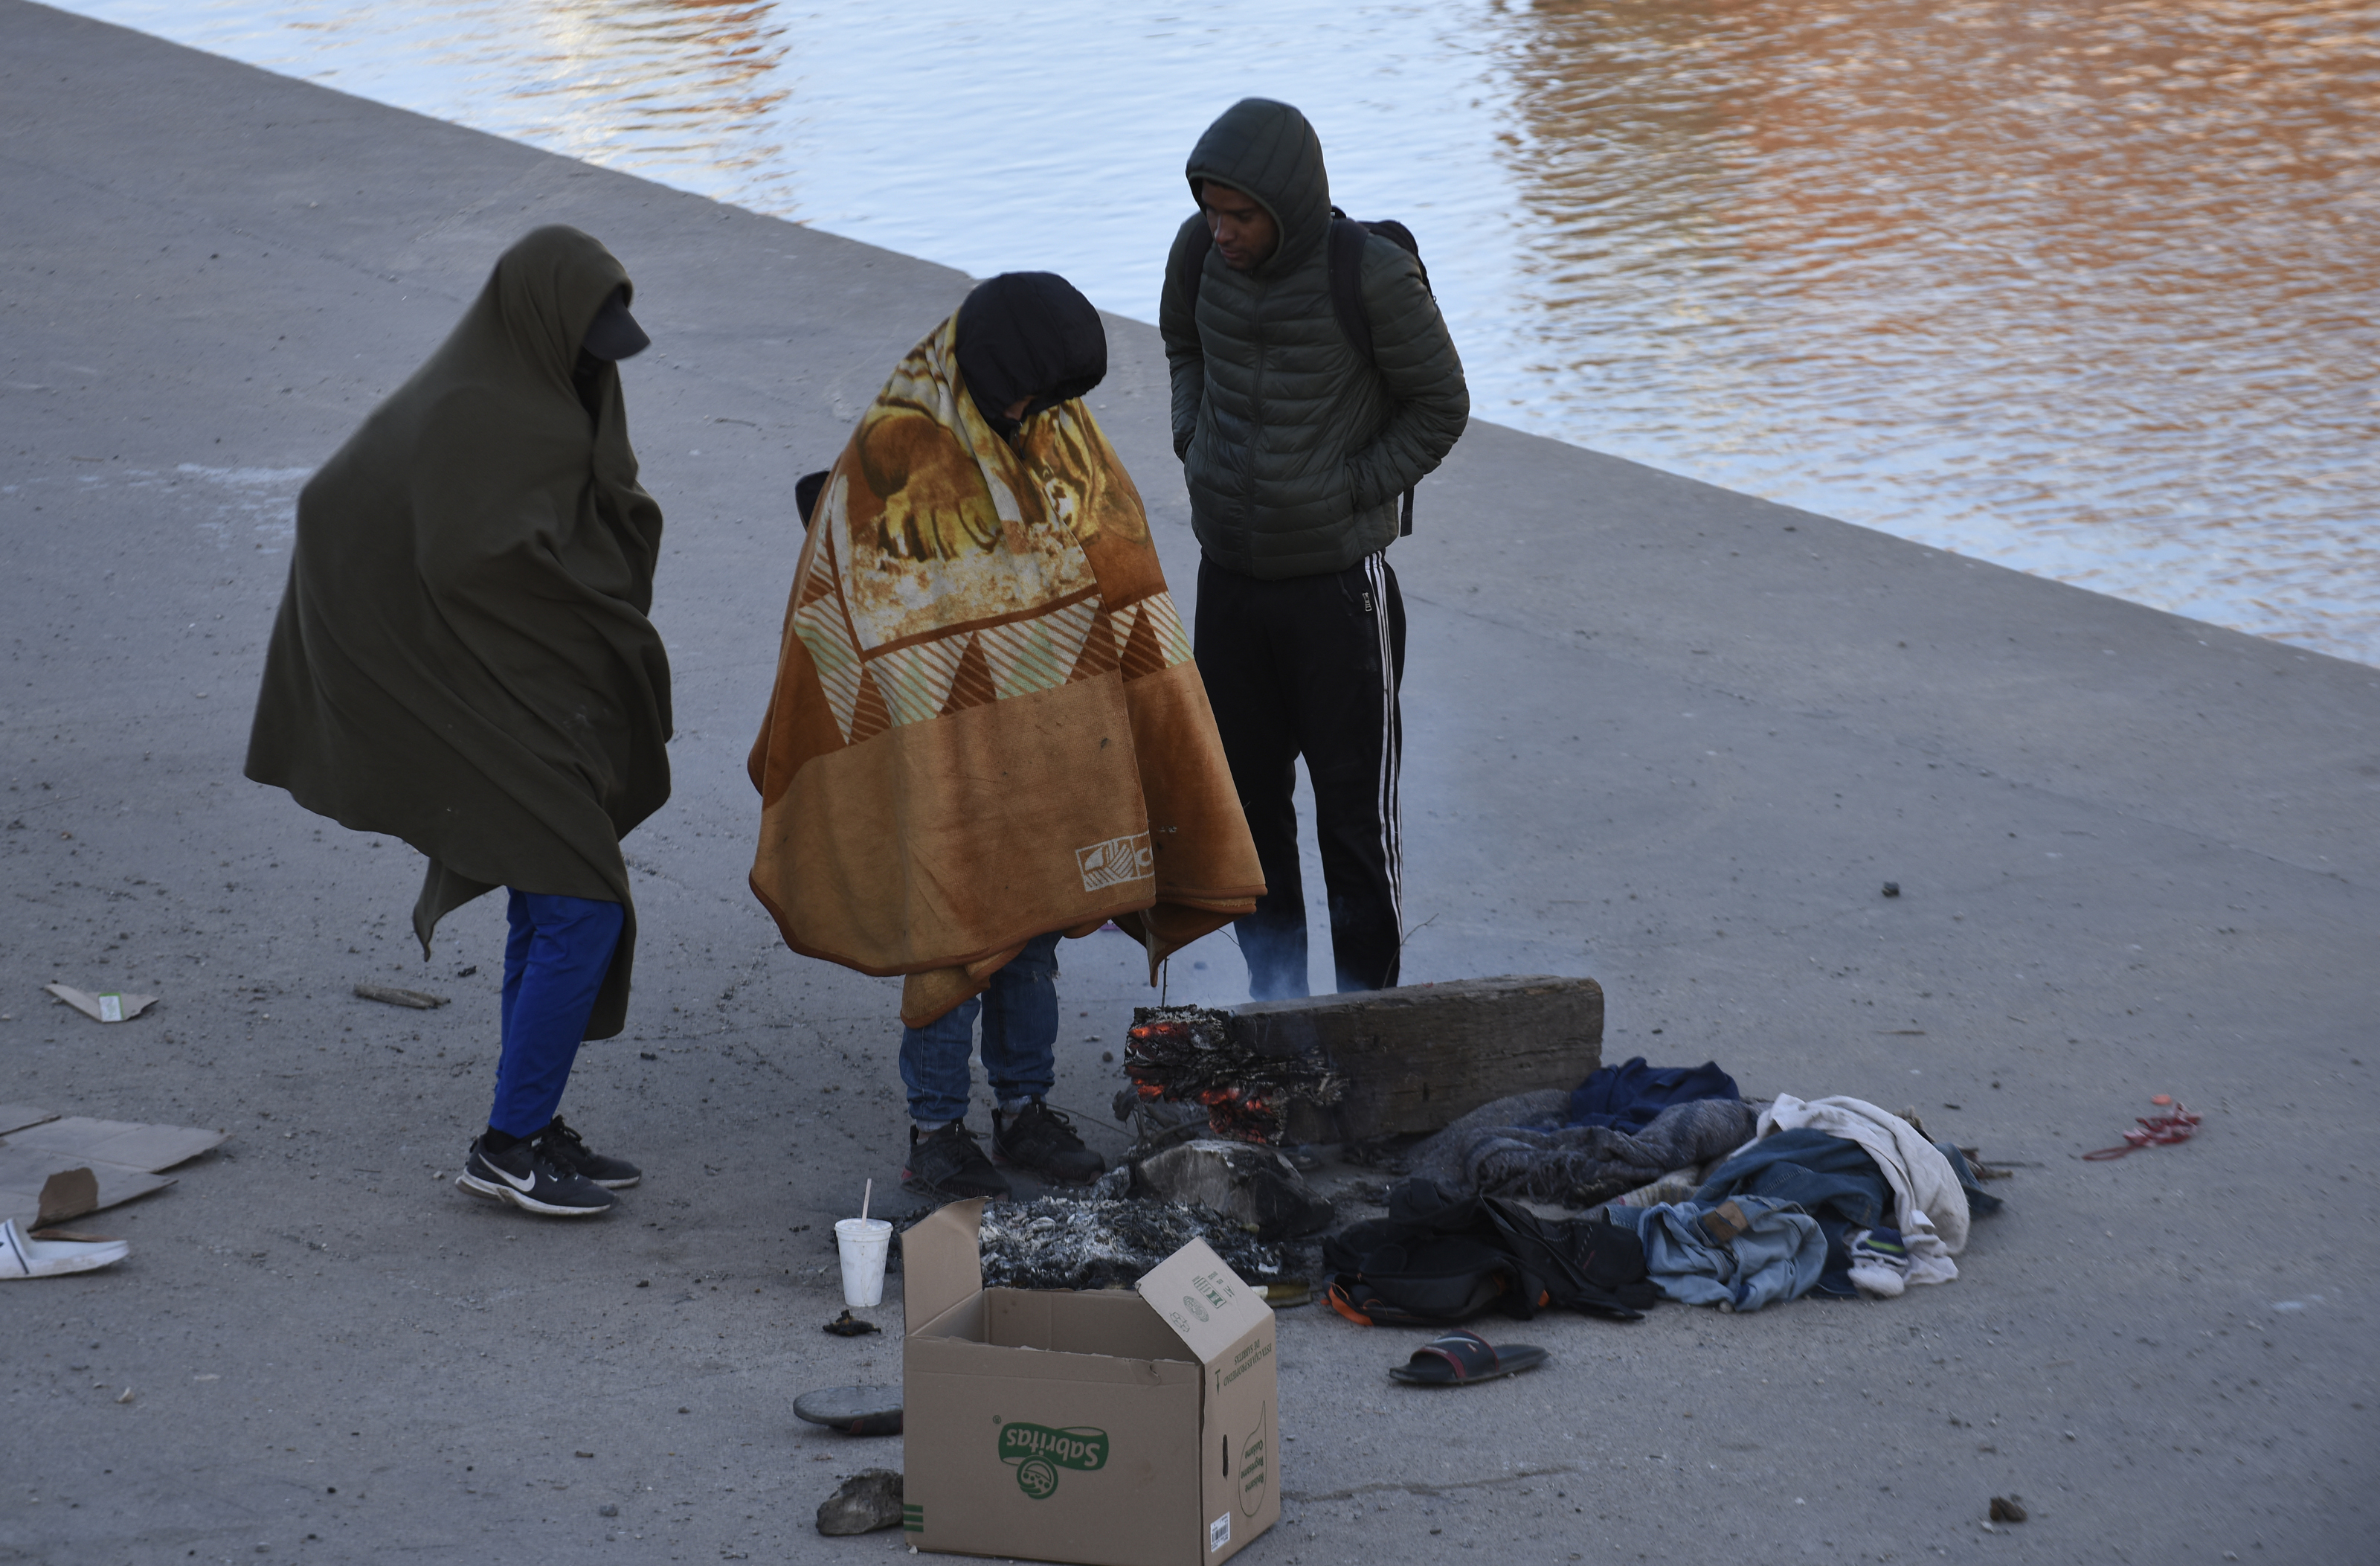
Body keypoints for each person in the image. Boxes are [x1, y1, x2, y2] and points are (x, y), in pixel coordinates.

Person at [747, 272, 1264, 1201]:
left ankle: (1024, 1106)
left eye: (1055, 401)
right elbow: (859, 617)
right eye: (1027, 396)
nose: (1040, 416)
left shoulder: (1058, 428)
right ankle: (937, 1126)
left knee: (1035, 932)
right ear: (990, 371)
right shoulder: (896, 452)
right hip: (940, 753)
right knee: (953, 935)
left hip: (1052, 747)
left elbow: (1117, 564)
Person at [246, 225, 671, 1219]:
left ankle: (531, 1118)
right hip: (484, 705)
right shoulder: (475, 412)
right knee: (584, 904)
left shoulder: (534, 397)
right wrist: (426, 659)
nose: (598, 367)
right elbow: (347, 512)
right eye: (587, 343)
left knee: (549, 896)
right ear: (538, 322)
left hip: (530, 700)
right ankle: (509, 1145)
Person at [1160, 97, 1469, 1000]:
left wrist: (1348, 490)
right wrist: (1193, 437)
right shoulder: (1195, 252)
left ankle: (1365, 1022)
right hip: (1230, 582)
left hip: (1337, 593)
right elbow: (1183, 343)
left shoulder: (1367, 274)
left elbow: (1440, 405)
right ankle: (1278, 1014)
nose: (1221, 231)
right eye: (1211, 210)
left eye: (1240, 215)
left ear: (1287, 203)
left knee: (1351, 825)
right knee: (1246, 816)